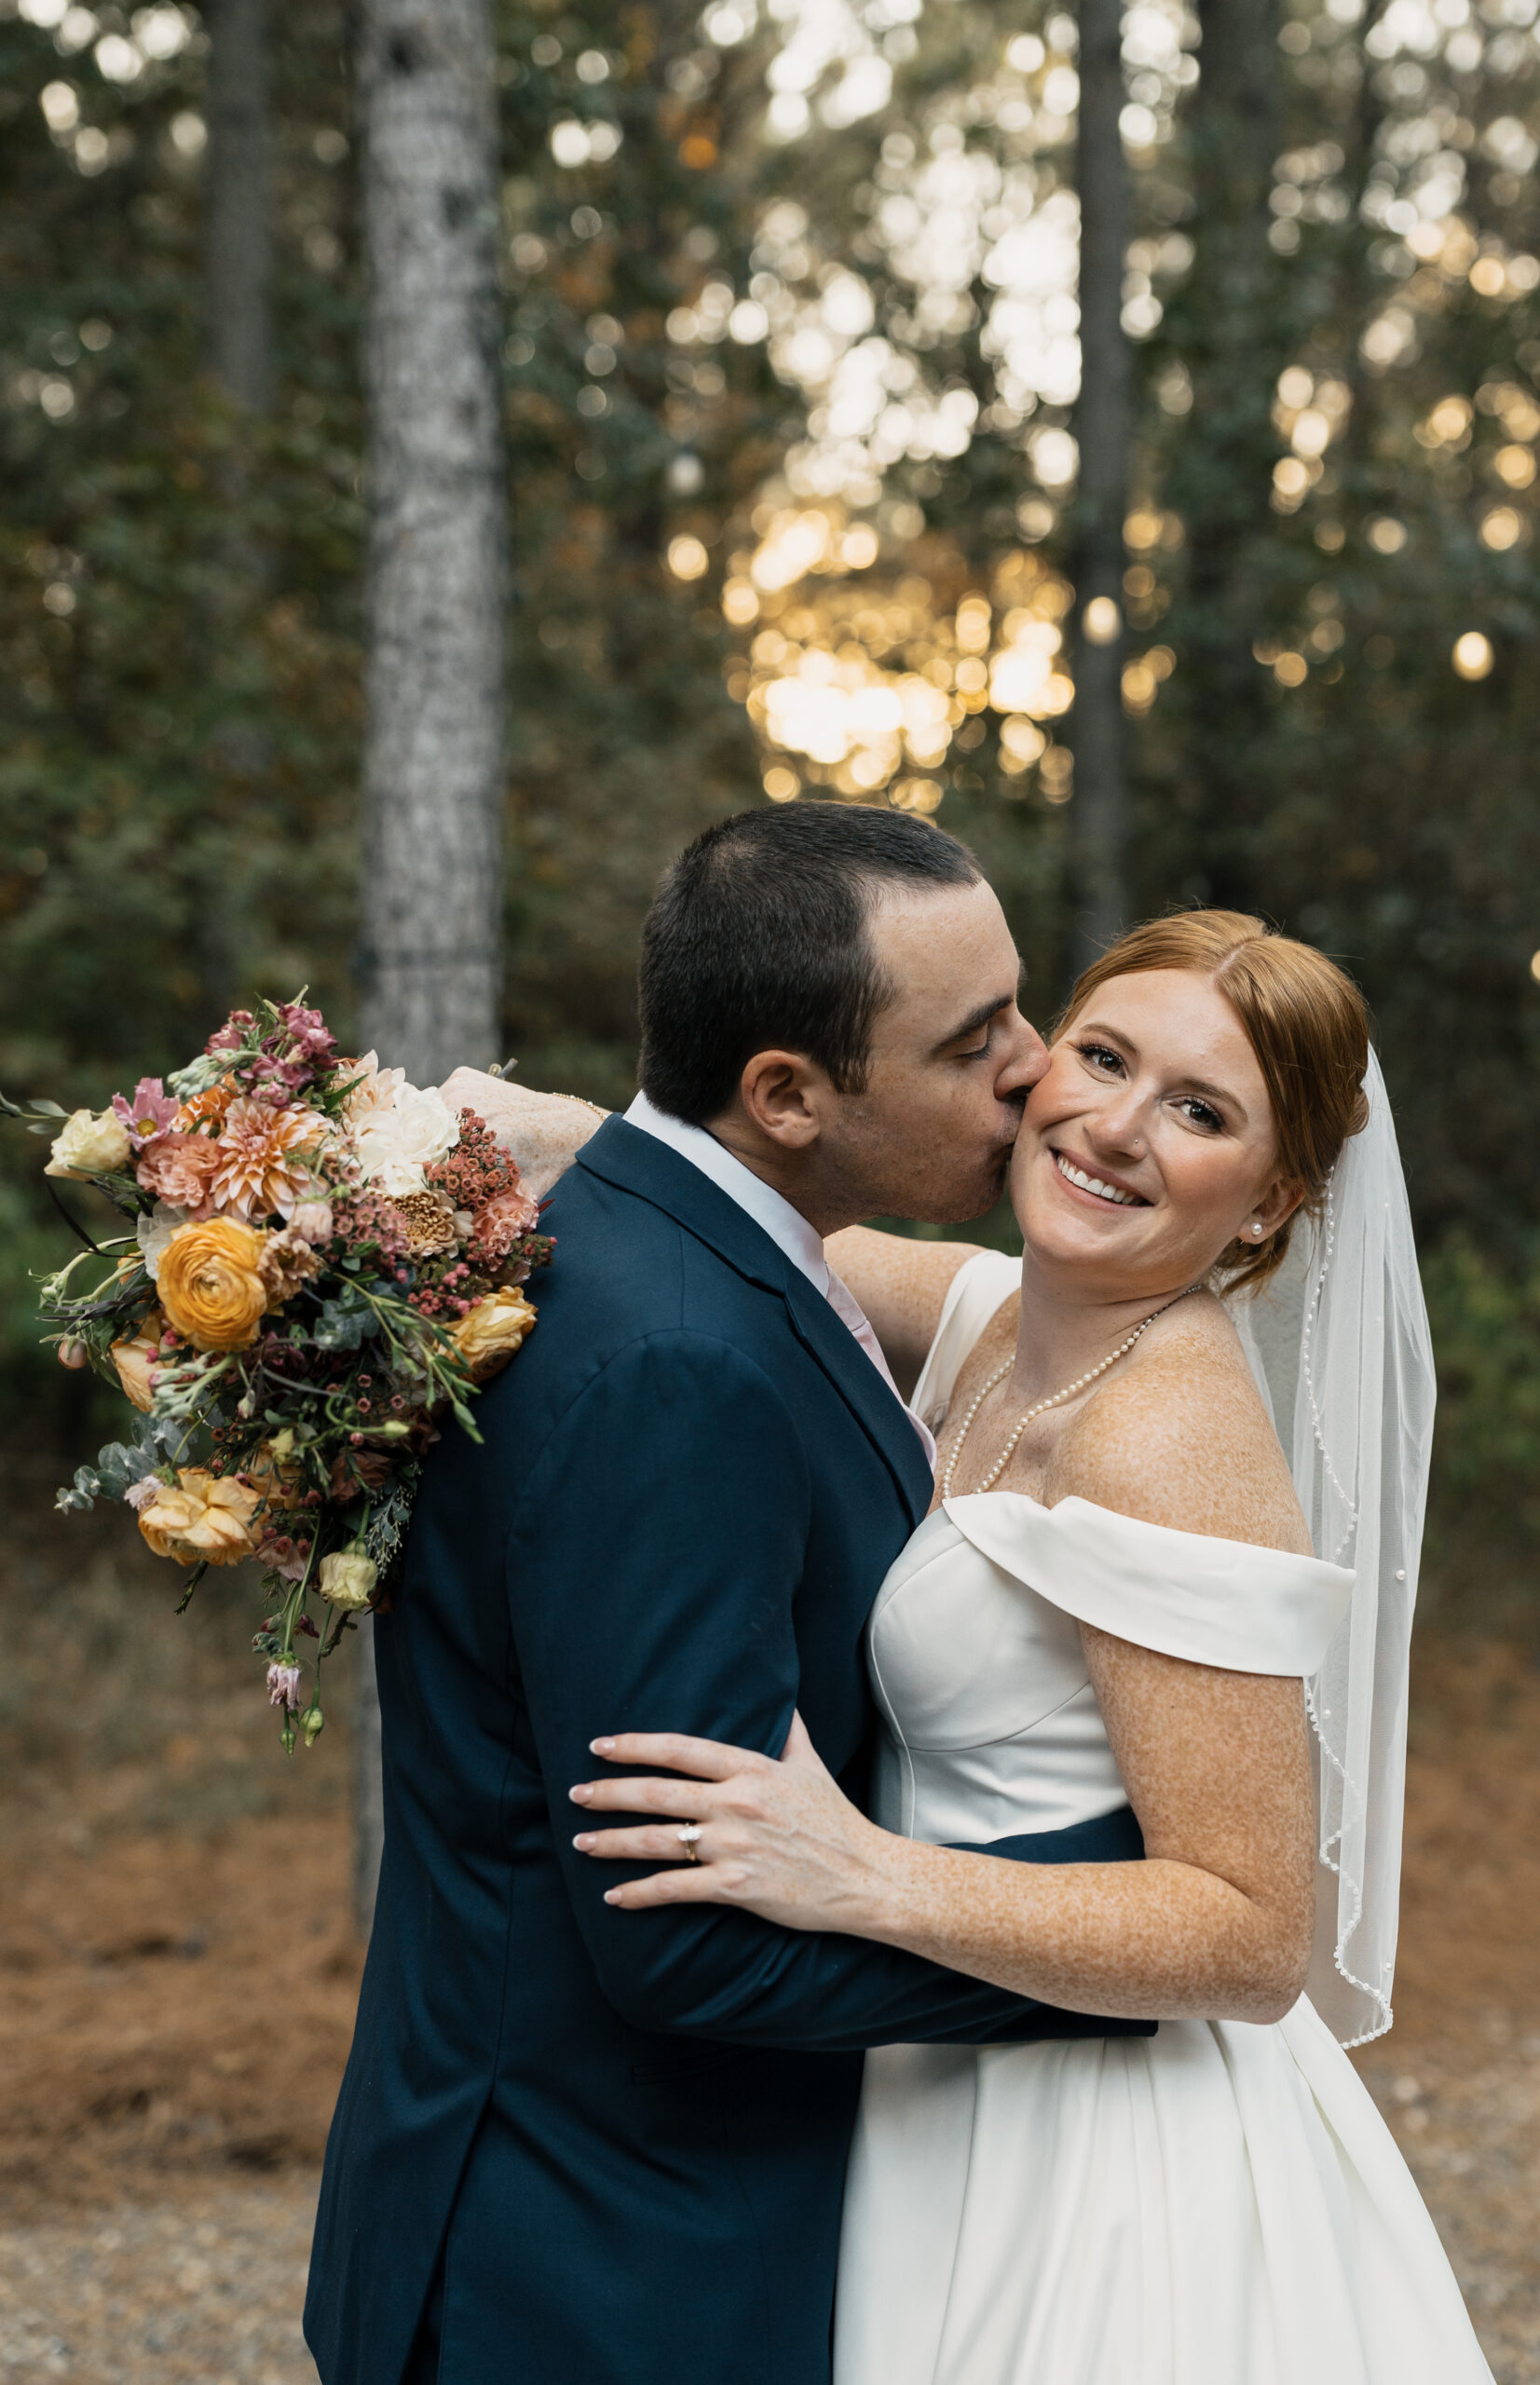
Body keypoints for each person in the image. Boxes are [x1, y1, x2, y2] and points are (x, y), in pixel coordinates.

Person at [564, 910, 1496, 2384]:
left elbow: (1253, 1939)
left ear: (1267, 1205)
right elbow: (730, 1196)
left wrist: (862, 1871)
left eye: (1200, 1112)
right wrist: (451, 1130)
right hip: (938, 2079)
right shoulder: (1005, 1317)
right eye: (1106, 1057)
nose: (1117, 1128)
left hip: (1104, 2144)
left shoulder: (1167, 1434)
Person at [304, 805, 1155, 2385]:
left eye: (1023, 1009)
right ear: (786, 1094)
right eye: (976, 1045)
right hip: (595, 2276)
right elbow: (685, 1938)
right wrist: (1128, 1942)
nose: (1038, 1068)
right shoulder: (675, 1360)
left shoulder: (656, 1225)